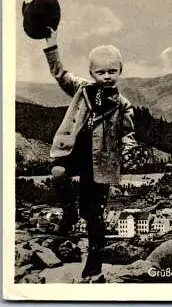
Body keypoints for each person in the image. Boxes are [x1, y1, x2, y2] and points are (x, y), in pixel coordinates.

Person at [42, 27, 138, 279]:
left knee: (93, 212)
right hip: (75, 150)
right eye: (100, 72)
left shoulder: (122, 104)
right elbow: (61, 75)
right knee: (57, 171)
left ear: (120, 71)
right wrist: (51, 46)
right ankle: (68, 211)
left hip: (101, 160)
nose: (106, 76)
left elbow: (128, 133)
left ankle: (94, 260)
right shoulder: (82, 89)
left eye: (112, 71)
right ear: (91, 73)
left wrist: (129, 148)